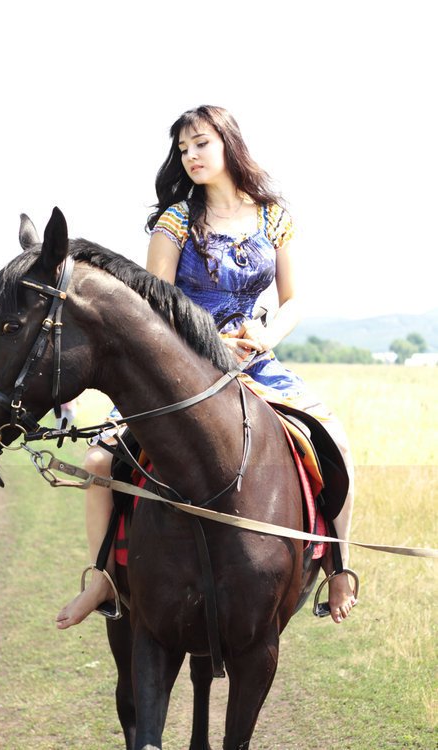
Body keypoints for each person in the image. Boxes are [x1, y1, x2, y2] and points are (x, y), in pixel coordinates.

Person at [56, 105, 356, 629]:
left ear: (228, 144)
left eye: (200, 144)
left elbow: (294, 300)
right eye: (182, 150)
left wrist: (264, 337)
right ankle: (101, 576)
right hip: (181, 366)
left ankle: (339, 568)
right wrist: (214, 342)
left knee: (337, 444)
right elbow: (155, 308)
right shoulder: (175, 222)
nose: (190, 156)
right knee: (99, 461)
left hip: (257, 363)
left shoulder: (274, 218)